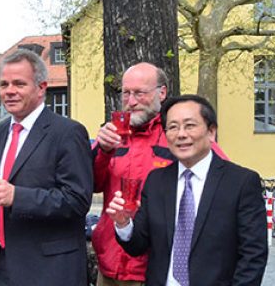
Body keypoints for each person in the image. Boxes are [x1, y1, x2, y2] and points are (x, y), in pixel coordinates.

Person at [106, 95, 268, 286]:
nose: (181, 134)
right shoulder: (156, 181)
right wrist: (124, 223)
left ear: (211, 132)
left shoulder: (240, 182)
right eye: (173, 127)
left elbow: (253, 255)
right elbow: (139, 245)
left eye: (190, 125)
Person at [92, 63, 228, 286]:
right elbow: (91, 185)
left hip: (159, 269)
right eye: (126, 93)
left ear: (161, 93)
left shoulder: (179, 136)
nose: (131, 101)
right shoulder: (113, 135)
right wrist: (103, 151)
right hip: (111, 264)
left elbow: (225, 183)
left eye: (139, 93)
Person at [0, 49, 93, 286]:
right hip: (4, 262)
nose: (9, 91)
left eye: (19, 84)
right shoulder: (0, 132)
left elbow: (77, 200)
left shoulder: (68, 132)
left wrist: (16, 196)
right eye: (4, 84)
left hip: (50, 269)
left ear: (41, 88)